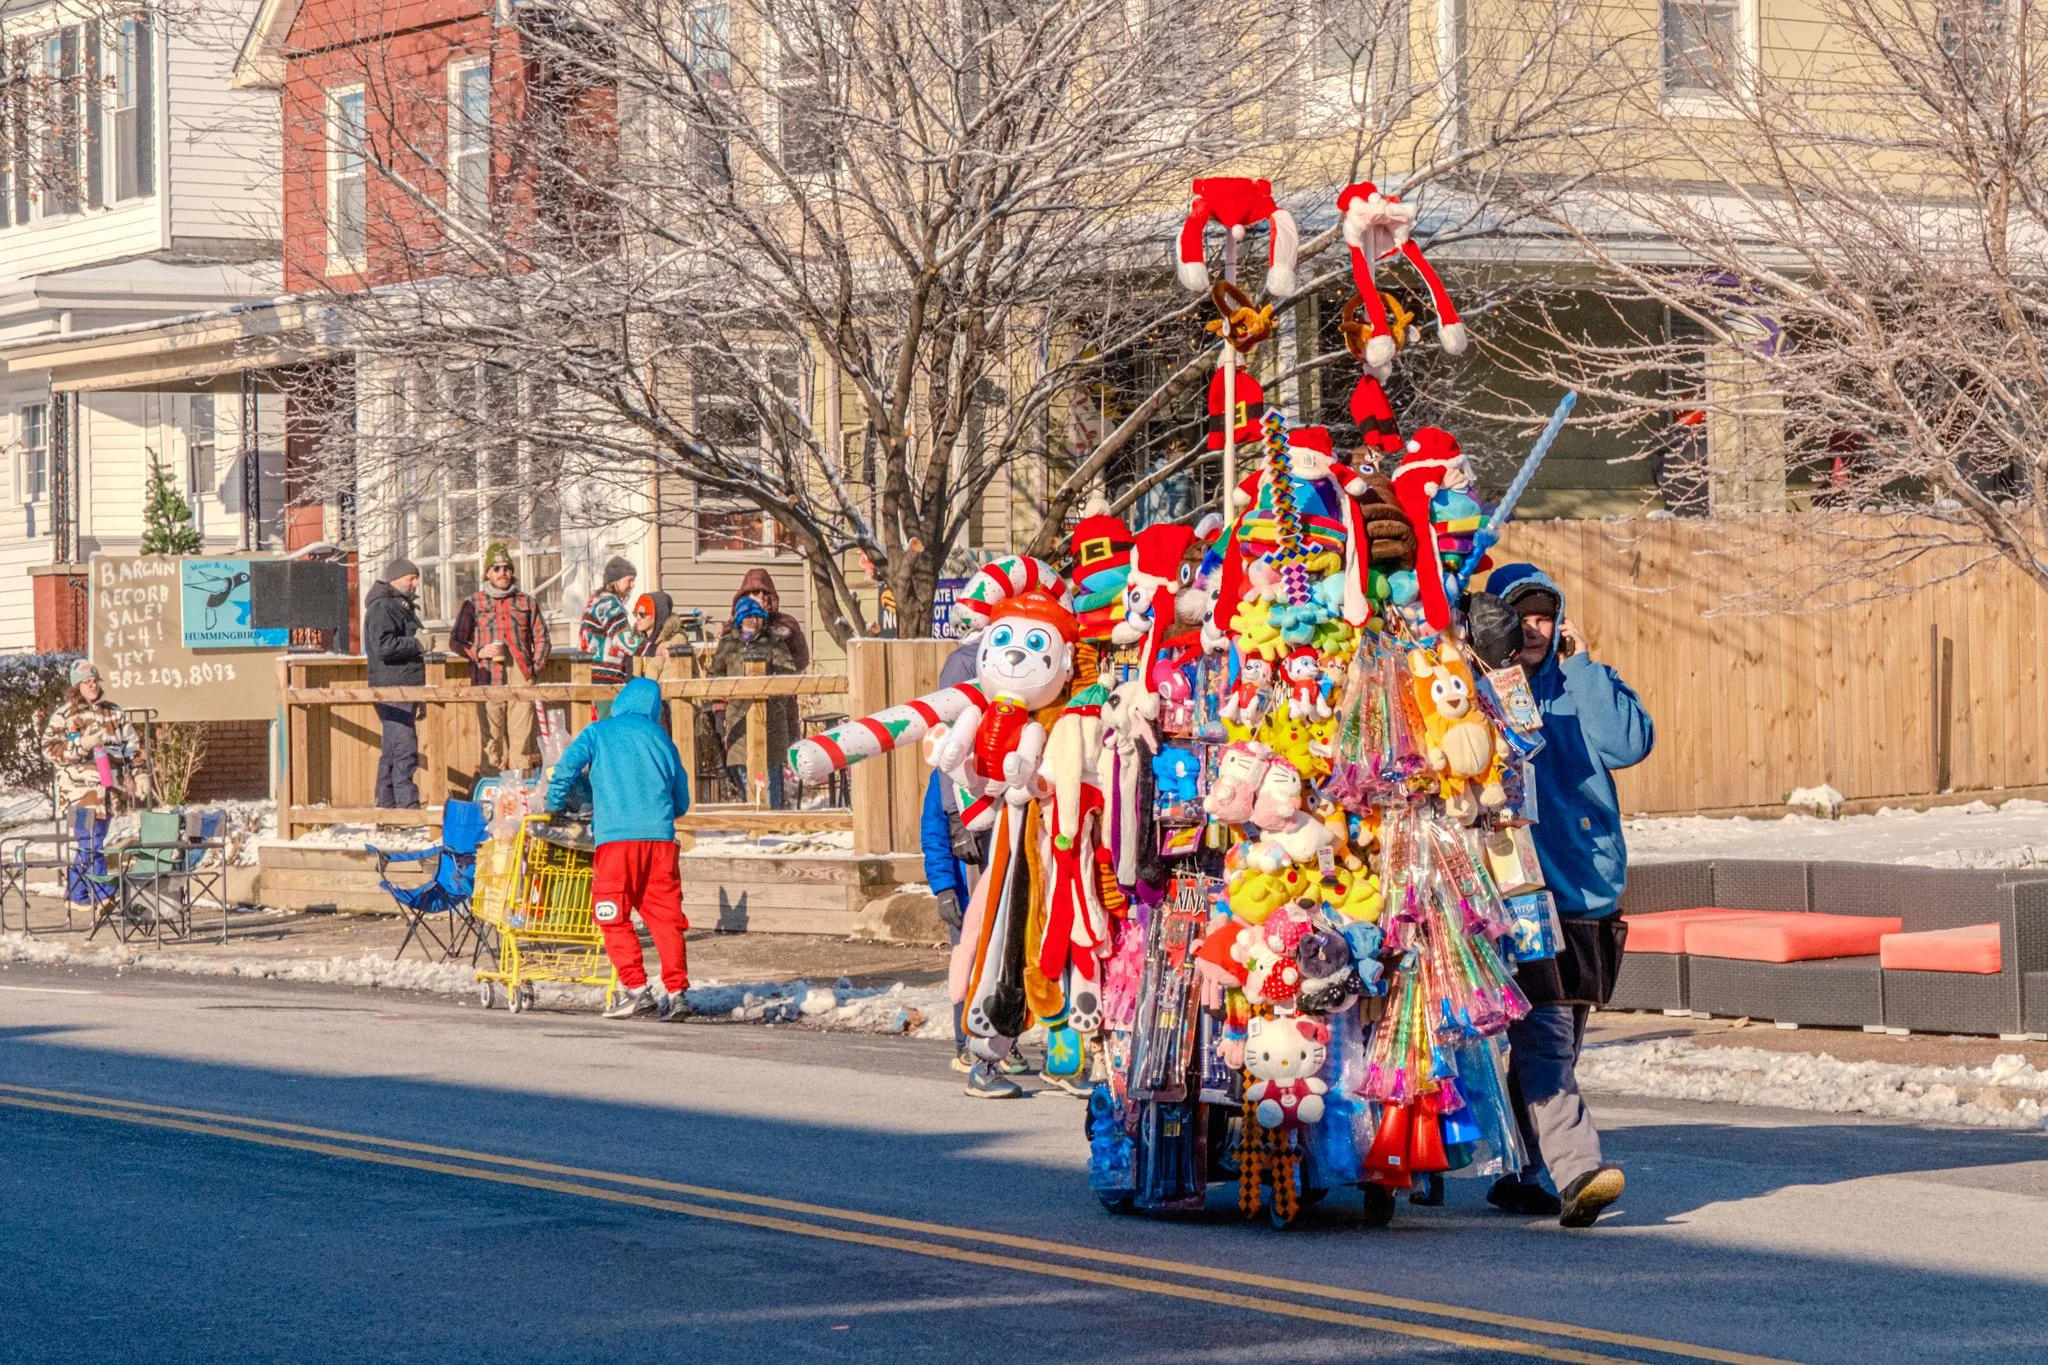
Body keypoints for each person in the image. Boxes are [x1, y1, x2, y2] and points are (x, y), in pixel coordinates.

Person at [1483, 562, 1654, 1229]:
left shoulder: (1582, 684)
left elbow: (1628, 742)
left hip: (1590, 890)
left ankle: (1526, 1169)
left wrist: (1583, 667)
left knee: (1564, 1034)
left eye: (1543, 614)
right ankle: (1577, 1167)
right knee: (1547, 1039)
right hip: (1522, 890)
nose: (1533, 626)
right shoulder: (1482, 693)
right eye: (1519, 613)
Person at [918, 641, 1033, 1098]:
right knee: (967, 960)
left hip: (1000, 876)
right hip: (967, 886)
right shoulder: (946, 775)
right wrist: (944, 888)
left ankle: (1006, 1039)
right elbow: (934, 834)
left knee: (1004, 959)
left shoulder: (1006, 766)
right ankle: (968, 1041)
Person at [544, 676, 694, 1021]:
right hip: (660, 843)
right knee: (666, 919)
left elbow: (567, 766)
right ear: (654, 708)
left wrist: (555, 803)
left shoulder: (599, 732)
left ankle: (637, 989)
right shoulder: (663, 740)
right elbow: (681, 800)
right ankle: (677, 991)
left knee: (612, 914)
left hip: (616, 842)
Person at [40, 660, 148, 907]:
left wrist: (140, 773)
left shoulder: (114, 713)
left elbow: (131, 747)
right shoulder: (64, 716)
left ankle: (76, 896)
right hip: (79, 793)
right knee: (92, 842)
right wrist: (80, 746)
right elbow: (49, 749)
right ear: (76, 686)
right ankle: (103, 896)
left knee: (89, 844)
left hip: (110, 791)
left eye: (95, 681)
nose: (92, 686)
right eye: (86, 682)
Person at [450, 544, 553, 777]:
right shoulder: (473, 603)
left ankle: (521, 797)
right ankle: (492, 799)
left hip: (521, 678)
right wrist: (478, 651)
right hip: (487, 678)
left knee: (522, 741)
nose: (502, 572)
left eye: (507, 568)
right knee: (491, 743)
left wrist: (534, 669)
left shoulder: (527, 602)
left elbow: (542, 639)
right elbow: (456, 640)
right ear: (487, 573)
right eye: (496, 568)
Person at [707, 592, 800, 807]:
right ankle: (752, 819)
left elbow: (788, 675)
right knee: (742, 768)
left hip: (770, 719)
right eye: (749, 617)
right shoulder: (729, 645)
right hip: (738, 719)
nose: (754, 621)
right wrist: (719, 710)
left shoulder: (774, 643)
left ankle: (772, 819)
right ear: (740, 620)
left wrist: (772, 696)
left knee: (770, 771)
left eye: (758, 616)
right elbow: (714, 675)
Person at [365, 559, 427, 809]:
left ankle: (387, 809)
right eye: (411, 578)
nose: (415, 584)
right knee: (404, 749)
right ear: (395, 579)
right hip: (393, 687)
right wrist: (417, 643)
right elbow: (383, 647)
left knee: (392, 752)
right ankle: (407, 809)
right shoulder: (384, 607)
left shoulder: (396, 605)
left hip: (401, 686)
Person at [579, 556, 644, 691]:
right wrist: (649, 647)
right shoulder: (609, 604)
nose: (632, 585)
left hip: (589, 671)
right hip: (605, 677)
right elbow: (624, 641)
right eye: (629, 580)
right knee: (608, 712)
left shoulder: (596, 600)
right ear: (616, 580)